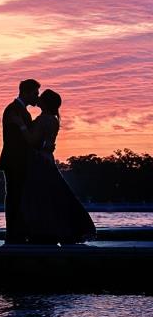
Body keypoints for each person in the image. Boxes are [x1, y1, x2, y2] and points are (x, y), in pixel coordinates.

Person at [15, 89, 96, 244]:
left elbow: (32, 140)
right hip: (47, 160)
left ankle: (42, 232)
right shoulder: (53, 119)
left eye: (41, 97)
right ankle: (56, 230)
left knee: (40, 198)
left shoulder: (44, 119)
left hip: (39, 162)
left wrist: (21, 126)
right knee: (54, 197)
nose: (38, 98)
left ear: (46, 102)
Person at [0, 79, 40, 244]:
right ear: (26, 93)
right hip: (15, 161)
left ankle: (18, 232)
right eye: (35, 94)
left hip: (18, 161)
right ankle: (14, 233)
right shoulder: (13, 110)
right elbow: (17, 140)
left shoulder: (19, 111)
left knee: (18, 196)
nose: (37, 97)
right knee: (15, 196)